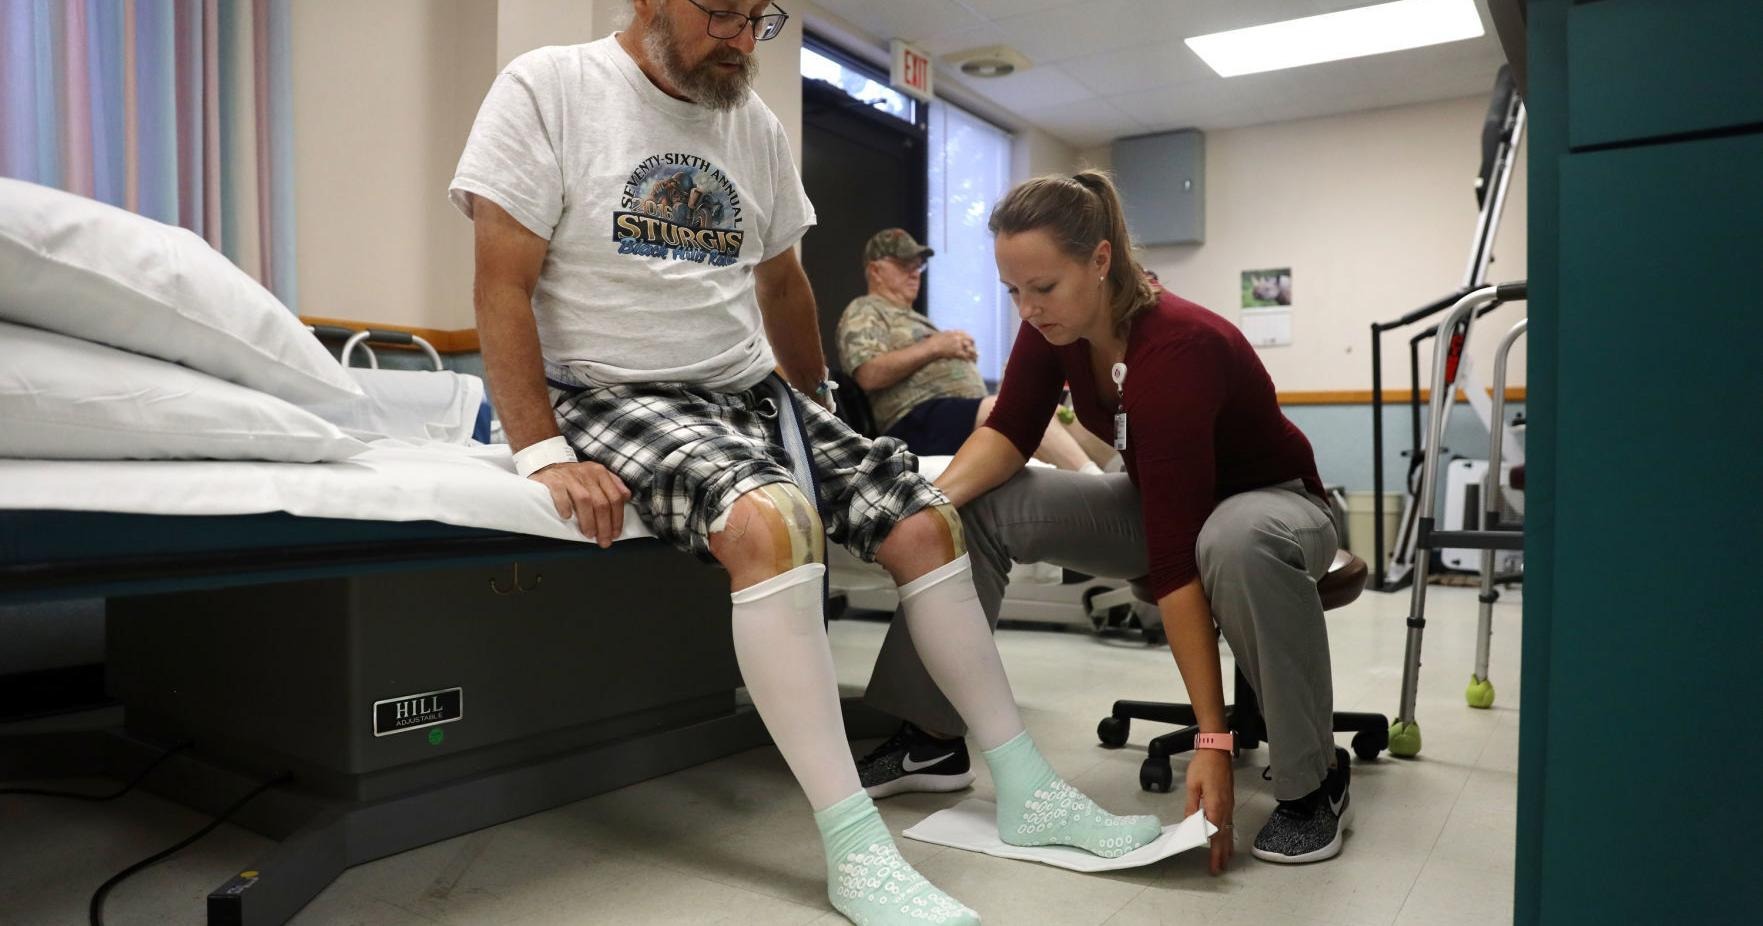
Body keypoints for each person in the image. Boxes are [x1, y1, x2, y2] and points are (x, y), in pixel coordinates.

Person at [449, 3, 1159, 923]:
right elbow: (499, 281)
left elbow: (781, 281)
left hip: (752, 390)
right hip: (613, 389)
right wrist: (541, 450)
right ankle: (853, 846)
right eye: (723, 15)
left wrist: (819, 413)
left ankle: (1025, 787)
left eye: (761, 18)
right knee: (775, 523)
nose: (744, 41)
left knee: (924, 517)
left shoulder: (753, 124)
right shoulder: (549, 88)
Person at [861, 170, 1354, 873]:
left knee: (1232, 541)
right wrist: (930, 505)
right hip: (1156, 496)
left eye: (1043, 288)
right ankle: (930, 735)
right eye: (1013, 291)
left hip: (1274, 503)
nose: (1027, 308)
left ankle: (1314, 780)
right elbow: (1008, 432)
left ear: (1099, 260)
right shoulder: (1055, 324)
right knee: (979, 507)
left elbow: (1177, 555)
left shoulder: (1177, 348)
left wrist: (1210, 741)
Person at [836, 228, 1112, 471]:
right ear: (875, 271)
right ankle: (1093, 478)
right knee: (1013, 411)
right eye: (903, 263)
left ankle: (1121, 473)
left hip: (957, 413)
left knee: (1051, 410)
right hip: (916, 421)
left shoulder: (916, 318)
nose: (914, 272)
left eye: (918, 265)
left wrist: (954, 351)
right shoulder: (865, 309)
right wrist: (937, 346)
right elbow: (868, 373)